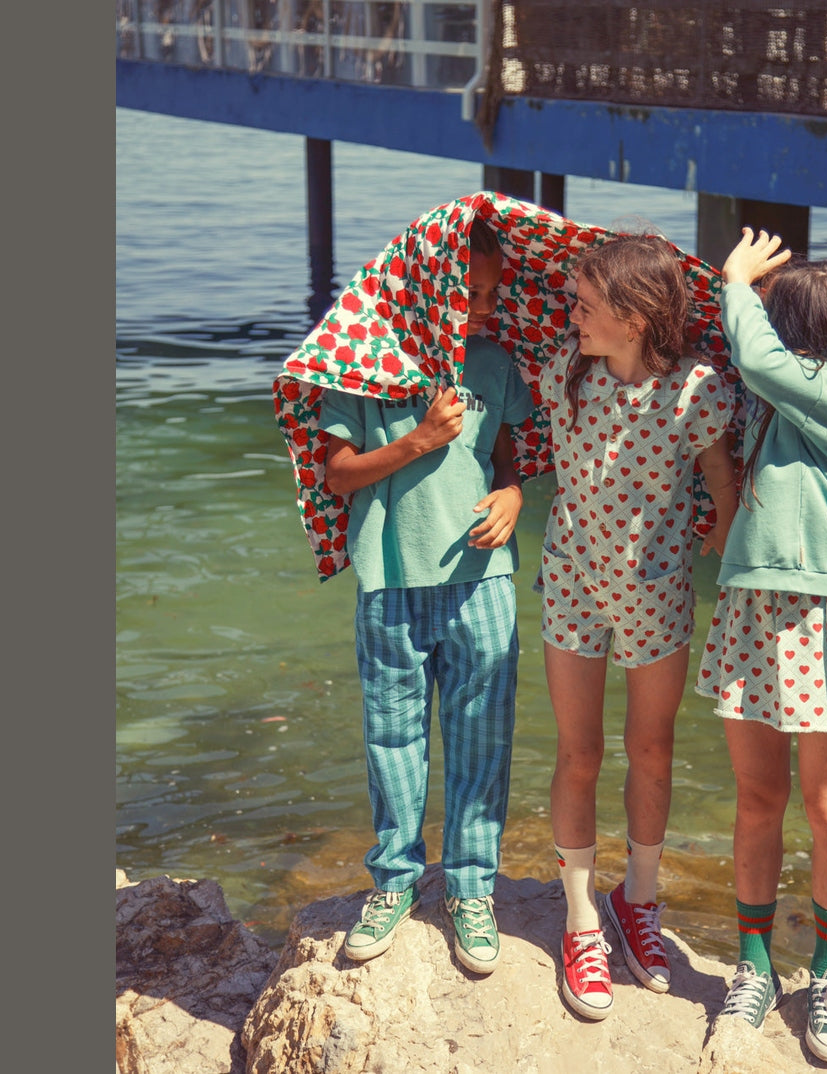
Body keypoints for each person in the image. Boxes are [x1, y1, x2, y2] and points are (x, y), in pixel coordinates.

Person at [695, 228, 827, 1064]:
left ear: (809, 333)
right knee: (756, 798)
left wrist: (735, 279)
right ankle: (753, 963)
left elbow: (755, 356)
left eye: (780, 319)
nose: (767, 329)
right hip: (754, 603)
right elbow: (742, 365)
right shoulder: (780, 396)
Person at [319, 217, 534, 974]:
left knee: (483, 737)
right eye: (473, 294)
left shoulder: (494, 363)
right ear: (428, 288)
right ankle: (395, 881)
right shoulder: (362, 365)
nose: (487, 307)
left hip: (483, 578)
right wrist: (417, 440)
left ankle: (471, 889)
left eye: (493, 294)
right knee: (392, 737)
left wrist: (513, 496)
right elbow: (337, 474)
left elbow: (507, 460)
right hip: (390, 580)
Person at [538, 233, 740, 1019]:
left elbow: (721, 483)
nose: (574, 314)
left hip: (656, 588)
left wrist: (730, 552)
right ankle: (581, 919)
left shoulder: (697, 390)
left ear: (636, 316)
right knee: (578, 751)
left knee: (651, 749)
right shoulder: (564, 372)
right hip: (572, 579)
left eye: (587, 304)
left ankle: (639, 900)